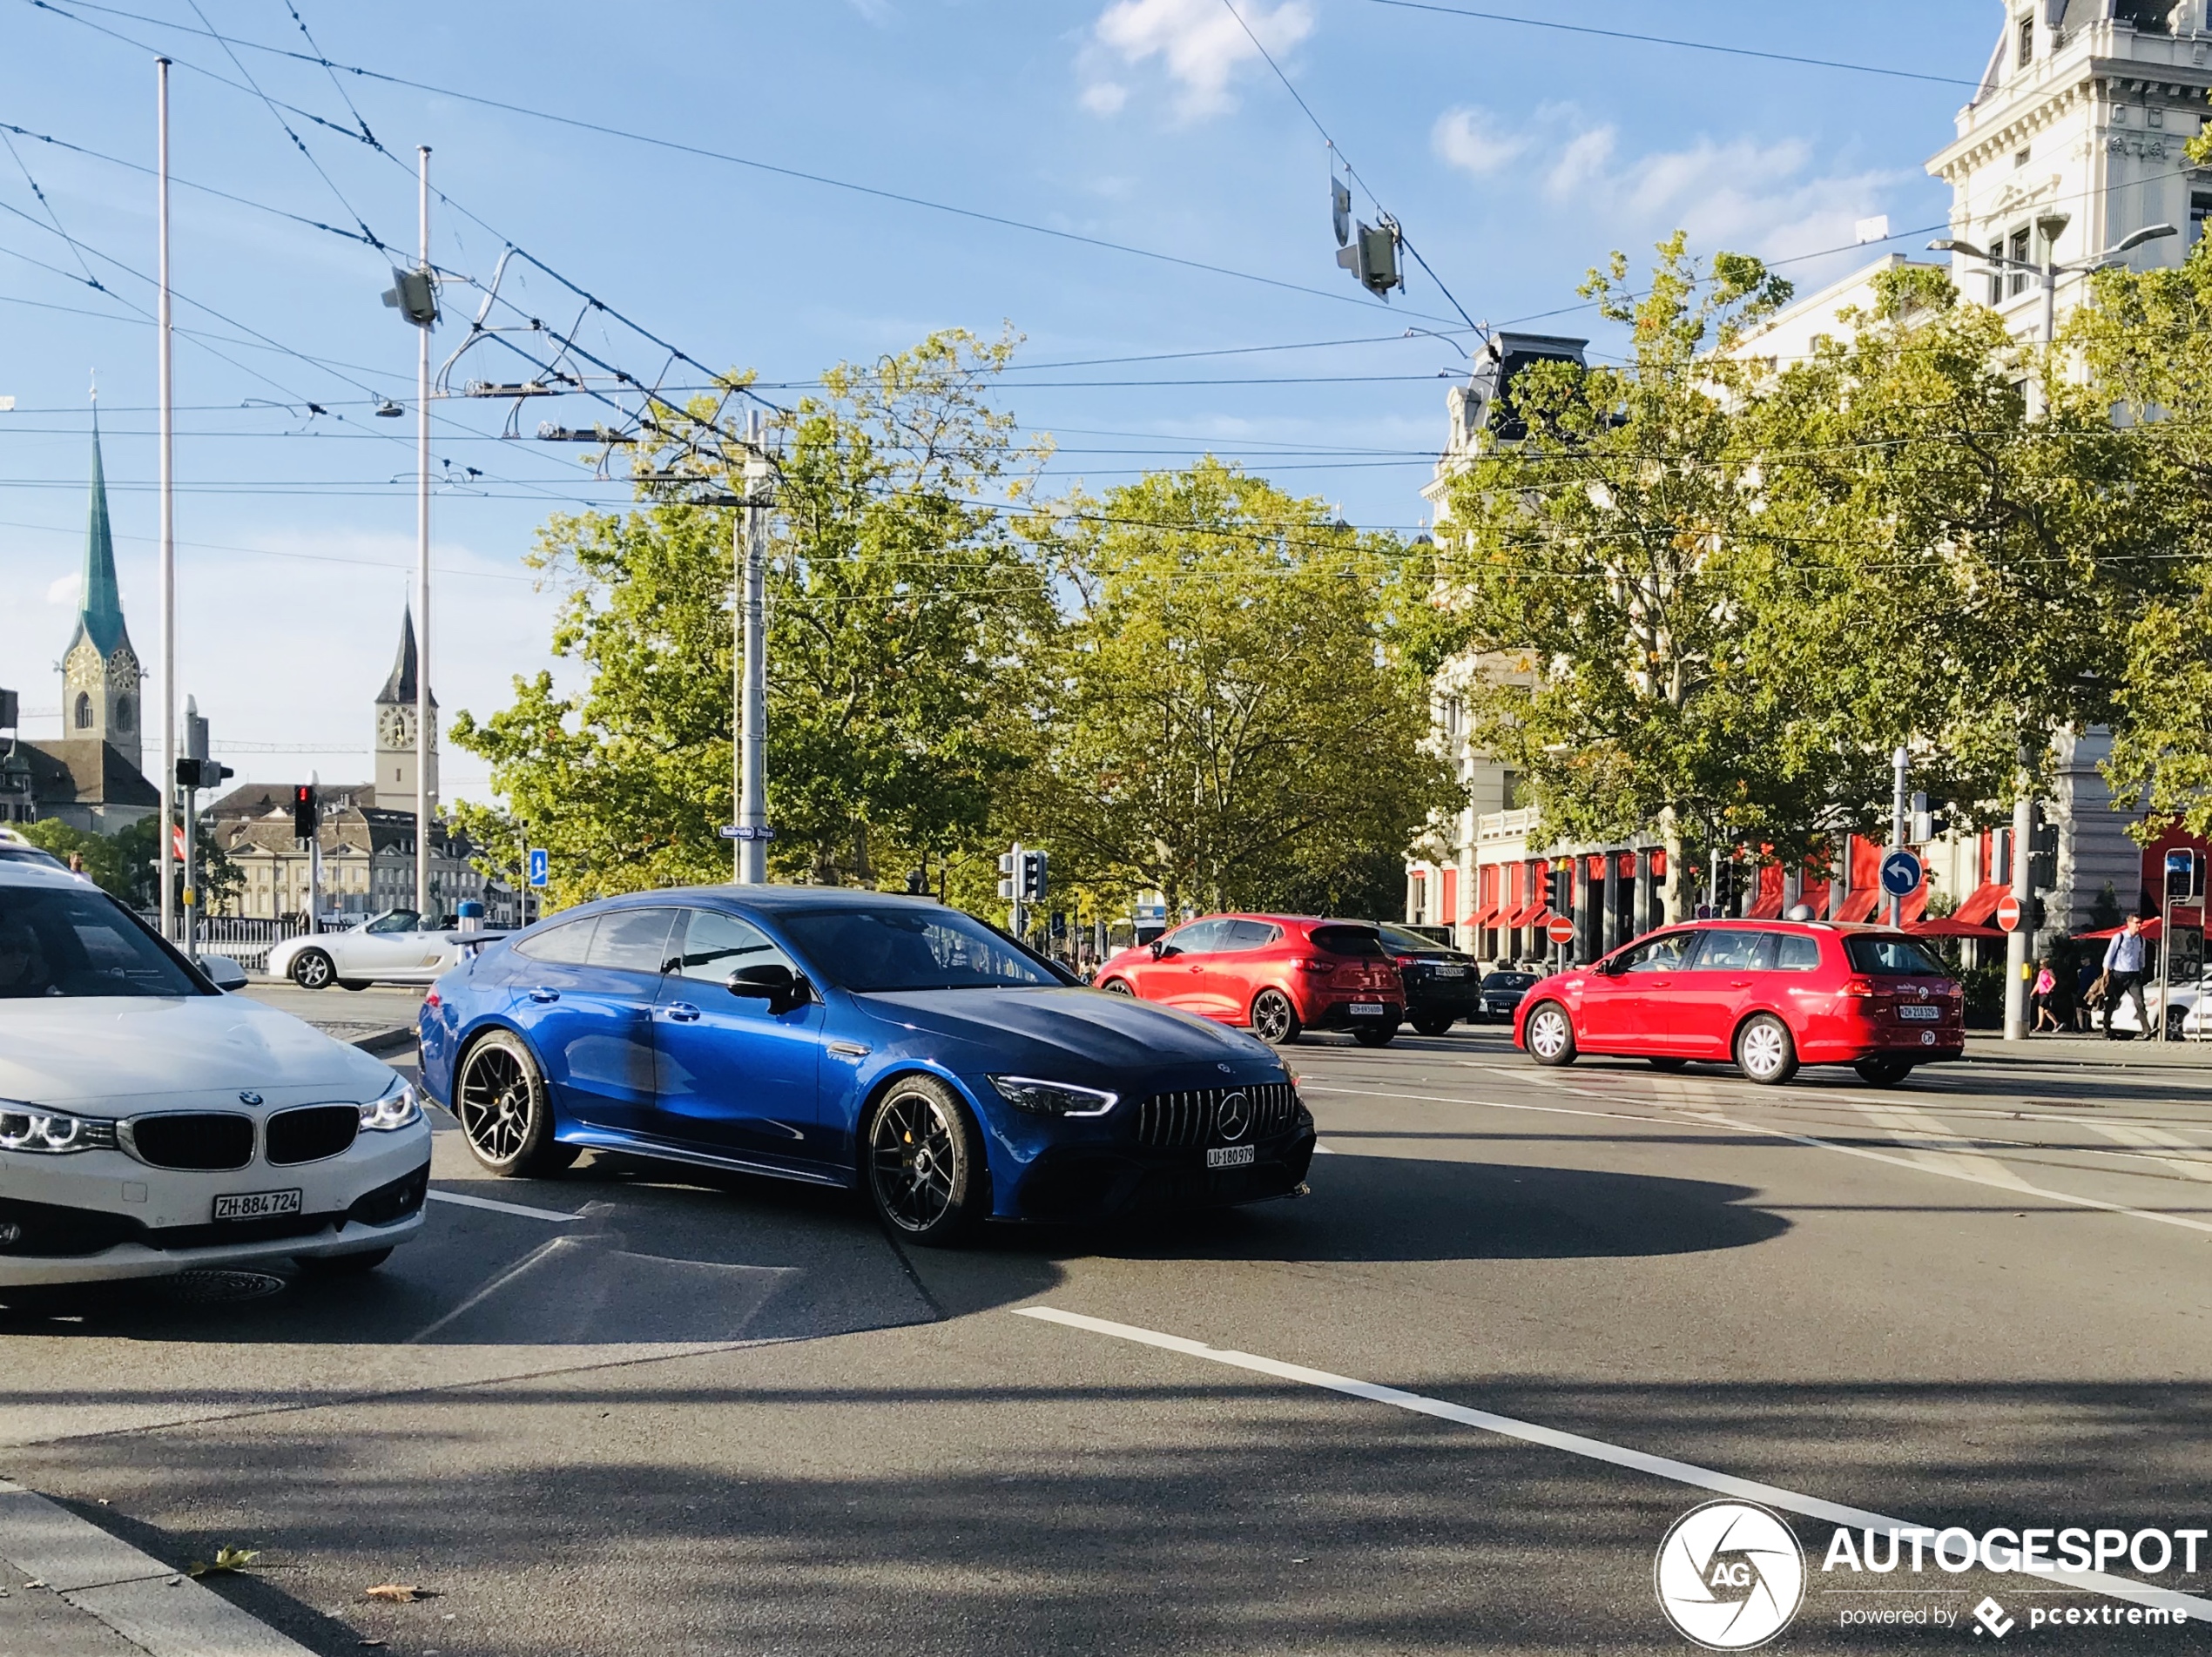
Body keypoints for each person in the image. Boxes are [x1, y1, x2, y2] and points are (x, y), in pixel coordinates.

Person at [2101, 916, 2151, 1039]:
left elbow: (2141, 956)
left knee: (2140, 1002)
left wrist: (2141, 969)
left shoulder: (2141, 939)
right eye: (2136, 923)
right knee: (2112, 1003)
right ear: (2129, 923)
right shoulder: (2120, 937)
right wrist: (2106, 973)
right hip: (2118, 974)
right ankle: (2106, 1030)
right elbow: (2109, 955)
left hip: (2133, 975)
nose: (2139, 925)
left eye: (2140, 923)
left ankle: (2146, 1030)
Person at [2031, 958, 2060, 1033]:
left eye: (2042, 964)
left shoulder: (2048, 972)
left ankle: (2039, 1025)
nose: (2040, 966)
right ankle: (2056, 1023)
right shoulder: (2041, 973)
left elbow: (2053, 982)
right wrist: (2032, 993)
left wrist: (2048, 989)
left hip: (2046, 993)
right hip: (2041, 992)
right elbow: (2038, 984)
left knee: (2041, 1007)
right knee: (2046, 1011)